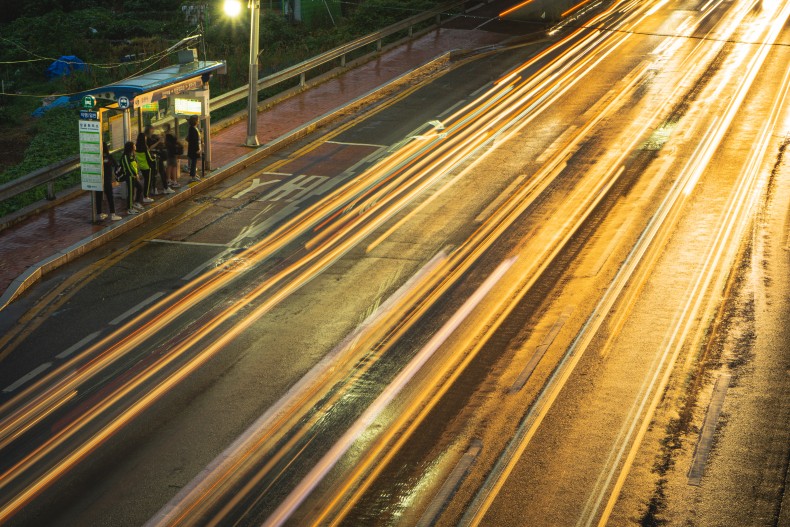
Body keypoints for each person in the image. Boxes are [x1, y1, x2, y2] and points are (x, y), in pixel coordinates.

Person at [96, 142, 122, 221]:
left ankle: (99, 214)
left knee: (98, 197)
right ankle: (112, 214)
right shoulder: (109, 156)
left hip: (98, 180)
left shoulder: (97, 157)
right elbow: (117, 166)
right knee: (110, 196)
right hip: (107, 179)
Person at [120, 141, 145, 215]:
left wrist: (136, 173)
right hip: (129, 176)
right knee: (131, 192)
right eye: (134, 145)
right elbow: (128, 167)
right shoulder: (125, 156)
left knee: (140, 188)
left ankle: (136, 202)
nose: (135, 146)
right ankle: (129, 208)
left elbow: (134, 165)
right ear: (131, 147)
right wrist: (134, 174)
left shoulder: (132, 155)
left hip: (134, 175)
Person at [152, 124, 174, 194]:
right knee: (155, 174)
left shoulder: (161, 140)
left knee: (163, 173)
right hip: (155, 159)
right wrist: (159, 142)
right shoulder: (153, 139)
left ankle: (165, 188)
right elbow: (150, 148)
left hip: (160, 159)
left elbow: (164, 147)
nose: (161, 135)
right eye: (160, 134)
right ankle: (155, 189)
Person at [135, 132, 155, 203]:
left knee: (145, 181)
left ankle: (144, 196)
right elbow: (149, 158)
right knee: (148, 182)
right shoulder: (145, 148)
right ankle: (145, 196)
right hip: (147, 167)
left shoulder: (136, 147)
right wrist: (154, 158)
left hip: (141, 167)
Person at [164, 124, 181, 189]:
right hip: (172, 152)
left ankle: (168, 180)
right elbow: (175, 141)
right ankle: (174, 181)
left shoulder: (165, 135)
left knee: (169, 166)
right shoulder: (171, 134)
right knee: (174, 166)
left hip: (168, 152)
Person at [186, 115, 202, 183]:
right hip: (194, 149)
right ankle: (193, 176)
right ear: (195, 121)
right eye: (197, 120)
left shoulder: (194, 128)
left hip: (194, 148)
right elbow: (194, 140)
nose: (198, 121)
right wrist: (197, 149)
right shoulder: (193, 129)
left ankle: (194, 174)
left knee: (194, 162)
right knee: (194, 162)